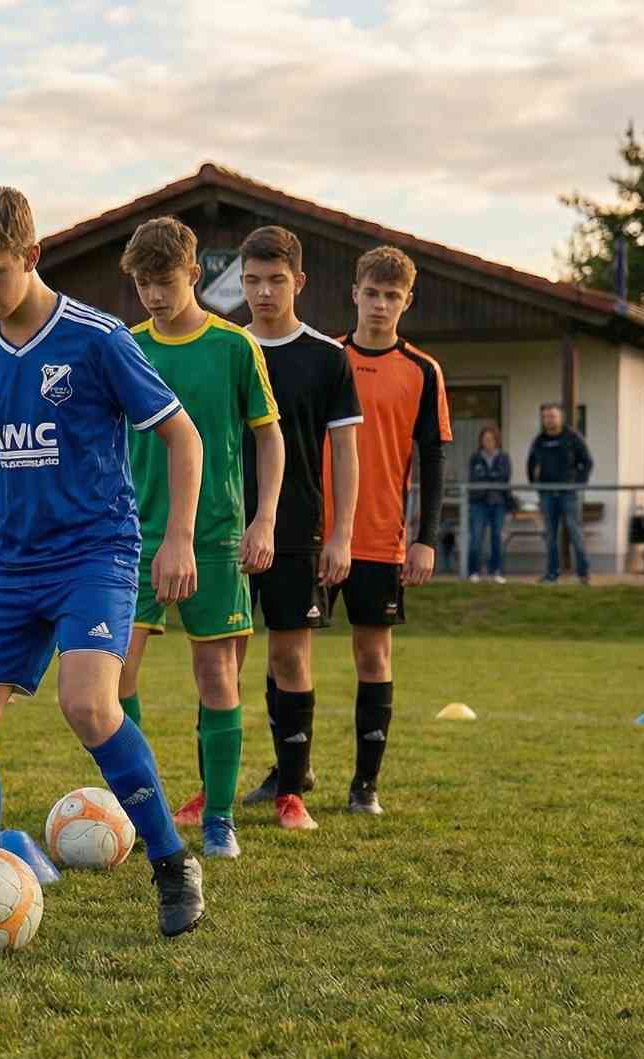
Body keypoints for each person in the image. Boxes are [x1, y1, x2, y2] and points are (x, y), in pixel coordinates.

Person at [0, 183, 207, 937]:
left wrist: (179, 537)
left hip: (95, 553)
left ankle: (172, 860)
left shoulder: (98, 339)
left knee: (88, 704)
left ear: (32, 257)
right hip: (10, 562)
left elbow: (183, 436)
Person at [113, 217, 283, 860]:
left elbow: (269, 435)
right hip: (130, 537)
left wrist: (263, 519)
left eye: (163, 282)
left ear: (193, 274)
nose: (153, 296)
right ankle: (139, 804)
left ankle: (218, 818)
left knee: (217, 677)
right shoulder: (123, 345)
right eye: (141, 284)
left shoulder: (235, 347)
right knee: (112, 676)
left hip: (214, 538)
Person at [231, 226, 362, 831]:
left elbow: (345, 453)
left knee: (288, 656)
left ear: (298, 283)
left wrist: (340, 535)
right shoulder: (227, 348)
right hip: (226, 529)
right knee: (223, 661)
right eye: (252, 280)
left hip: (299, 531)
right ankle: (227, 784)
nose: (262, 291)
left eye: (274, 280)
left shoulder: (327, 357)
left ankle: (292, 787)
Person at [332, 246, 451, 816]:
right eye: (371, 292)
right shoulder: (326, 357)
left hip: (381, 537)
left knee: (373, 655)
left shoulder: (423, 371)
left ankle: (364, 785)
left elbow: (434, 458)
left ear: (408, 301)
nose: (380, 305)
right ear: (353, 293)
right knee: (288, 654)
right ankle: (289, 773)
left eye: (391, 295)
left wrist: (427, 536)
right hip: (314, 534)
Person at [527, 402, 593, 585]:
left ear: (560, 418)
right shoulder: (539, 440)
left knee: (574, 532)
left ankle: (583, 574)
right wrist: (536, 486)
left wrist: (578, 484)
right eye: (546, 417)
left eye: (553, 416)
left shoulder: (572, 437)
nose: (550, 420)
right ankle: (551, 574)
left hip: (569, 494)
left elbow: (587, 462)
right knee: (550, 535)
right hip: (547, 494)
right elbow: (531, 464)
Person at [466, 426, 511, 583]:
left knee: (497, 537)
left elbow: (504, 477)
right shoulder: (475, 458)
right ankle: (473, 571)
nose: (488, 442)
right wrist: (492, 477)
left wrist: (487, 477)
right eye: (485, 440)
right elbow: (474, 478)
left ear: (496, 441)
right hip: (478, 503)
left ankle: (496, 571)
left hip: (498, 503)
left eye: (491, 439)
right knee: (476, 538)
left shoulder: (504, 458)